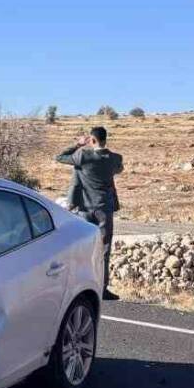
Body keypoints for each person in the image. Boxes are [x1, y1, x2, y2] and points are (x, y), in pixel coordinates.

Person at [55, 126, 124, 300]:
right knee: (104, 249)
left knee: (83, 248)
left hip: (84, 208)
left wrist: (78, 144)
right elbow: (119, 169)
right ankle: (102, 288)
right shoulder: (115, 159)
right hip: (104, 208)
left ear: (92, 140)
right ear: (105, 139)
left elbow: (60, 157)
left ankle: (79, 287)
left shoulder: (83, 156)